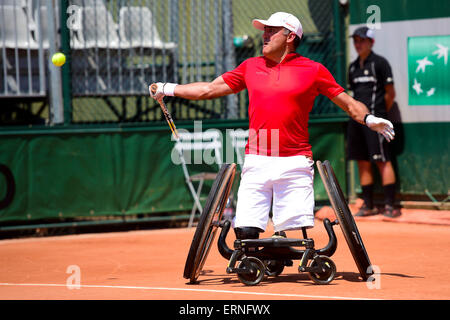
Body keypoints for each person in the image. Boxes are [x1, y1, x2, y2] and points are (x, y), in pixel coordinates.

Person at [150, 12, 395, 241]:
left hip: (295, 161)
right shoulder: (250, 66)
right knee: (244, 234)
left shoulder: (313, 70)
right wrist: (167, 88)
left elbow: (350, 104)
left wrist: (370, 119)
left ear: (290, 37)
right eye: (264, 30)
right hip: (256, 160)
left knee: (287, 234)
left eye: (271, 31)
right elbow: (209, 89)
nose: (264, 35)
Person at [347, 26, 401, 218]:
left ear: (371, 42)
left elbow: (390, 93)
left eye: (361, 40)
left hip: (376, 120)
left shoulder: (380, 63)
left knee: (382, 161)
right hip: (357, 122)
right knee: (362, 162)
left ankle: (390, 205)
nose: (357, 44)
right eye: (355, 40)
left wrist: (379, 114)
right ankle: (368, 205)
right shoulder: (352, 67)